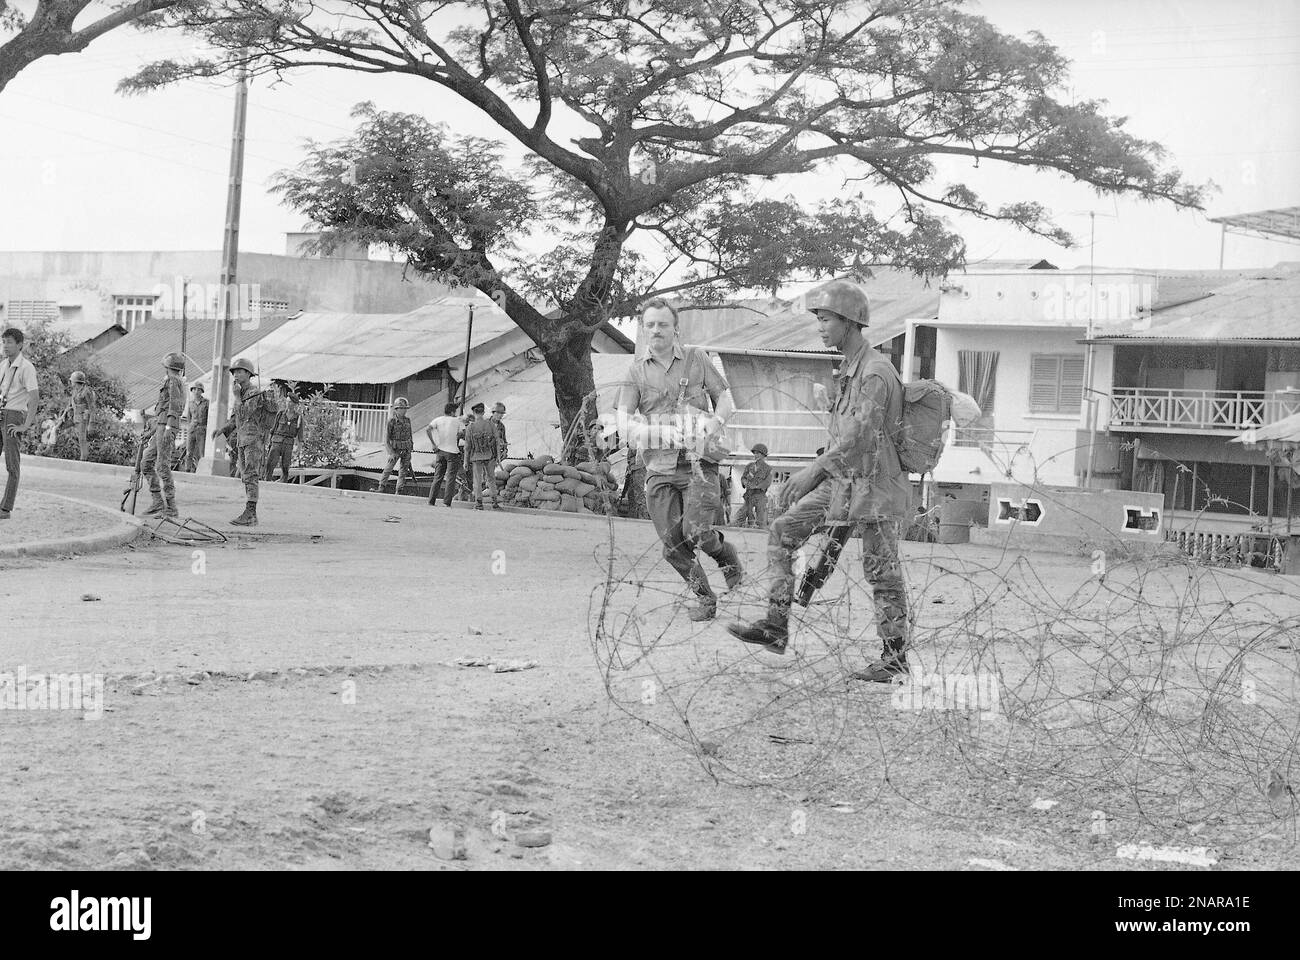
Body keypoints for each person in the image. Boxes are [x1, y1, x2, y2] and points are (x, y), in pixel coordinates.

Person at [726, 280, 913, 681]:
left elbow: (861, 437)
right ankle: (776, 626)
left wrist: (813, 471)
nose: (820, 328)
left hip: (875, 485)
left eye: (826, 319)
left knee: (882, 571)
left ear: (849, 322)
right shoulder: (849, 370)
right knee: (782, 531)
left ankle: (894, 656)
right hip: (844, 482)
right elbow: (844, 436)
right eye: (819, 319)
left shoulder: (875, 372)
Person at [616, 298, 743, 621]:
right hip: (659, 467)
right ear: (643, 330)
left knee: (696, 530)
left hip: (699, 463)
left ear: (675, 329)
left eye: (662, 324)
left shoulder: (696, 359)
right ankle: (705, 598)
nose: (656, 330)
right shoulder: (635, 372)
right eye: (650, 325)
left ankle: (724, 554)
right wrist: (649, 433)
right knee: (672, 544)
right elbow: (622, 422)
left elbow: (725, 400)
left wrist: (714, 424)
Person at [216, 357, 278, 526]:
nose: (236, 375)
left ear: (249, 374)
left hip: (253, 439)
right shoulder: (242, 393)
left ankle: (251, 513)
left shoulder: (252, 393)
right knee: (246, 475)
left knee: (251, 475)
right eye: (234, 372)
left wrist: (236, 397)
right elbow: (235, 418)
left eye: (240, 371)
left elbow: (246, 413)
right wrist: (223, 429)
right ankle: (250, 512)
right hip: (243, 440)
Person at [139, 353, 187, 518]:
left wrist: (167, 429)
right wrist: (151, 432)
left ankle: (171, 507)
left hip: (167, 428)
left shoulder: (173, 381)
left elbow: (174, 406)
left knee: (162, 466)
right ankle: (157, 501)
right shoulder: (171, 381)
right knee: (145, 463)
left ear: (169, 368)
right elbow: (163, 411)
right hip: (161, 427)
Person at [0, 327, 40, 520]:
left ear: (20, 344)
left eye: (9, 342)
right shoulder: (3, 365)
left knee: (12, 465)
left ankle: (5, 508)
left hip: (14, 416)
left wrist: (25, 425)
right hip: (0, 412)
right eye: (3, 341)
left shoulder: (26, 367)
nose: (5, 346)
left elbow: (34, 397)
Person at [426, 402, 465, 507]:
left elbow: (428, 429)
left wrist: (433, 444)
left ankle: (431, 501)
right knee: (451, 478)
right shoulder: (457, 421)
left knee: (438, 477)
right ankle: (446, 502)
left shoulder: (437, 420)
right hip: (452, 452)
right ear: (452, 412)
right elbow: (462, 434)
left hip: (440, 451)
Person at [463, 402, 500, 510]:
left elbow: (467, 446)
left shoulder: (471, 427)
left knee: (477, 480)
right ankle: (494, 501)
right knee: (491, 479)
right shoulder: (490, 424)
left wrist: (465, 461)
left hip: (476, 457)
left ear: (474, 413)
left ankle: (479, 503)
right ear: (483, 412)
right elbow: (497, 441)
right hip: (489, 456)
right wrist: (498, 457)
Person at [265, 382, 303, 482]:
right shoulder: (280, 414)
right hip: (277, 441)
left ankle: (283, 482)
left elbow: (300, 434)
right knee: (270, 463)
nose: (288, 404)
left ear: (294, 404)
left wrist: (298, 447)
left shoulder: (298, 417)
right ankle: (267, 480)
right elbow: (273, 428)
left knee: (285, 466)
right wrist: (269, 441)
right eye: (287, 401)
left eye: (290, 402)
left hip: (288, 443)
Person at [379, 397, 415, 494]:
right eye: (402, 408)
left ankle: (399, 490)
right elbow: (386, 439)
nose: (404, 411)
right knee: (388, 469)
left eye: (405, 408)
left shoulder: (407, 420)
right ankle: (381, 487)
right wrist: (390, 452)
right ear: (396, 409)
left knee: (403, 471)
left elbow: (410, 435)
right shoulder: (391, 421)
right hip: (395, 449)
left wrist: (411, 447)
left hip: (406, 449)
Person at [734, 443, 773, 528]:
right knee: (742, 515)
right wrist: (745, 482)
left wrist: (756, 486)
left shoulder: (768, 468)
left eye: (758, 453)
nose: (756, 455)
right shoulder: (749, 466)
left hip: (760, 495)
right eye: (755, 453)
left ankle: (760, 532)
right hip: (749, 495)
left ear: (763, 455)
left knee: (760, 518)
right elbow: (743, 477)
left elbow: (767, 482)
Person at [64, 370, 96, 461]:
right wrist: (64, 415)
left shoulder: (86, 391)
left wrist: (91, 423)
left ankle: (83, 458)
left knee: (82, 439)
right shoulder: (75, 391)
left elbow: (92, 407)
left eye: (72, 381)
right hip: (75, 416)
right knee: (79, 438)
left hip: (83, 417)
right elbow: (70, 404)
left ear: (76, 381)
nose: (70, 382)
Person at [182, 384, 209, 472]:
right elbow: (188, 418)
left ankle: (202, 470)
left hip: (202, 429)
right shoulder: (190, 403)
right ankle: (187, 469)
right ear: (192, 391)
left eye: (198, 390)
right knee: (189, 452)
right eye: (194, 389)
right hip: (192, 429)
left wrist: (205, 428)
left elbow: (209, 417)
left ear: (202, 391)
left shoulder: (206, 402)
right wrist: (190, 427)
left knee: (201, 453)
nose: (196, 391)